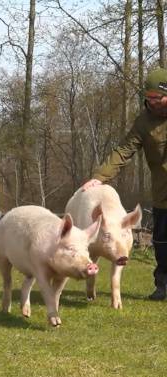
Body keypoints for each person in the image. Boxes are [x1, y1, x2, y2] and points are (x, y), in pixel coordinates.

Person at [83, 67, 167, 301]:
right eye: (148, 98)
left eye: (157, 98)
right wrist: (99, 176)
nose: (152, 103)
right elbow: (124, 151)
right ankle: (163, 287)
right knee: (162, 245)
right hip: (163, 194)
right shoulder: (144, 122)